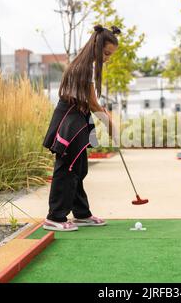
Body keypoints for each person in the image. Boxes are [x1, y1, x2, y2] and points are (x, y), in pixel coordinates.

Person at [42, 24, 120, 232]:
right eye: (105, 53)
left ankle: (81, 213)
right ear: (96, 45)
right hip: (71, 117)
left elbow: (91, 102)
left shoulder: (87, 64)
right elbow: (93, 103)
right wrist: (111, 126)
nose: (107, 58)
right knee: (67, 167)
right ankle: (55, 217)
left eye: (110, 55)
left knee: (78, 168)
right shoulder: (87, 66)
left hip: (79, 116)